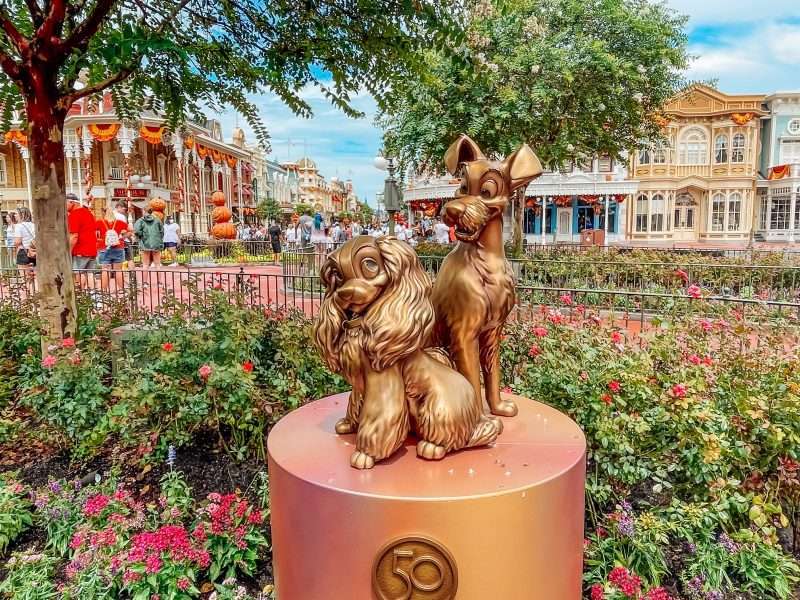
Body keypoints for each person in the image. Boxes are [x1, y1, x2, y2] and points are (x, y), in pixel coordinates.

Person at [67, 193, 98, 289]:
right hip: (92, 249)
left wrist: (68, 251)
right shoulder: (88, 213)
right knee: (90, 273)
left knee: (78, 273)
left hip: (80, 250)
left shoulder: (74, 215)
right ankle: (93, 293)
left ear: (71, 202)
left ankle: (81, 293)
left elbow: (74, 236)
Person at [96, 206, 128, 292]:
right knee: (118, 270)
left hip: (104, 248)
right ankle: (121, 290)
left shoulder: (99, 222)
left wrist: (99, 240)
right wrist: (122, 238)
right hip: (118, 247)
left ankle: (104, 291)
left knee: (105, 270)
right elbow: (130, 231)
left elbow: (93, 233)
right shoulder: (120, 222)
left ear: (103, 213)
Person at [13, 208, 36, 289]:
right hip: (34, 251)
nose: (14, 215)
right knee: (35, 276)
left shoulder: (19, 226)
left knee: (25, 277)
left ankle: (29, 293)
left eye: (16, 214)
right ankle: (35, 292)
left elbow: (17, 241)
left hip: (23, 251)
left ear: (22, 215)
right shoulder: (34, 225)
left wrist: (14, 243)